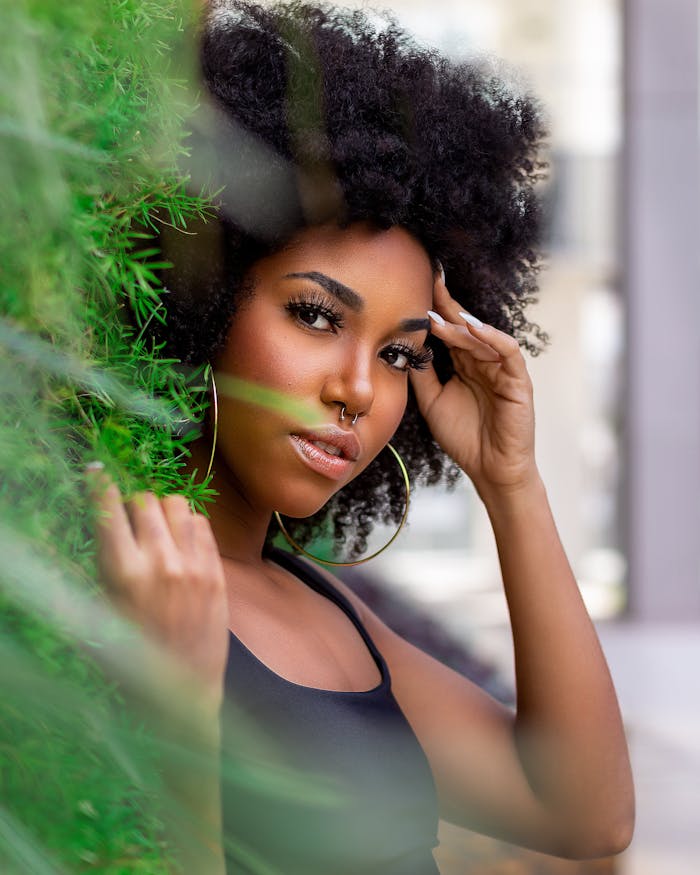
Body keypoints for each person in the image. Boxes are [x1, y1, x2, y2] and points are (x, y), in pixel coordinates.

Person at [89, 1, 635, 872]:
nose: (356, 388)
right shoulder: (119, 574)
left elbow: (586, 814)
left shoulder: (327, 612)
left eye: (399, 353)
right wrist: (177, 710)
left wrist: (512, 482)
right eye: (313, 315)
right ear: (209, 294)